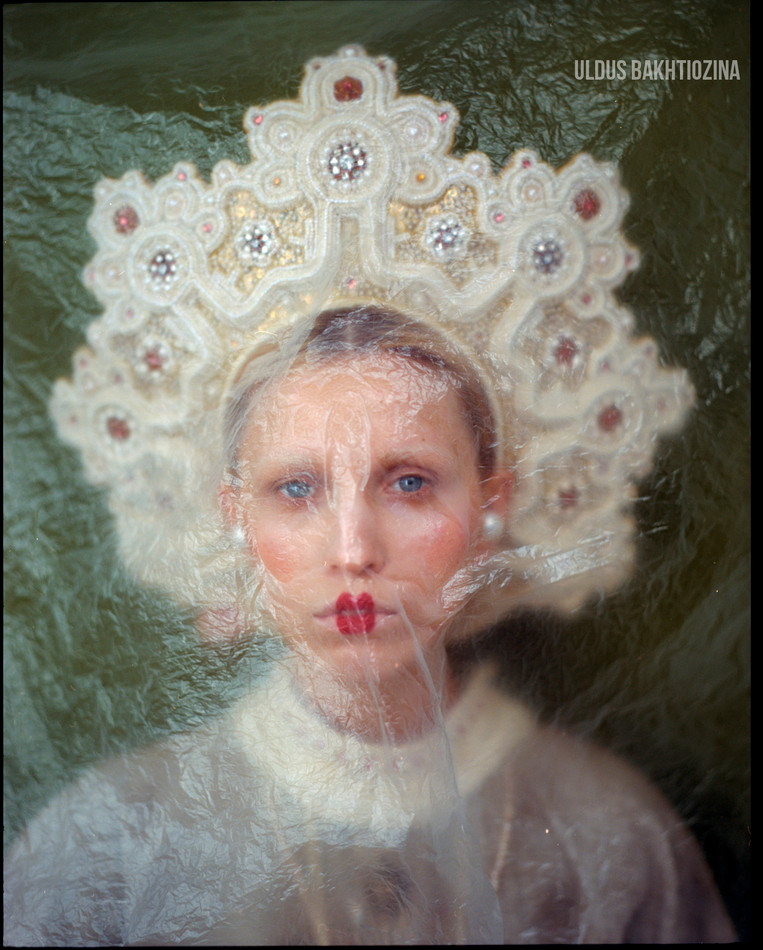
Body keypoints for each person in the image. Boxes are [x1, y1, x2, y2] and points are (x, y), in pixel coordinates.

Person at [3, 46, 737, 944]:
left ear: (489, 507)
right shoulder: (108, 843)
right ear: (235, 516)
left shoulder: (610, 837)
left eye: (409, 482)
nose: (353, 549)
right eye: (296, 488)